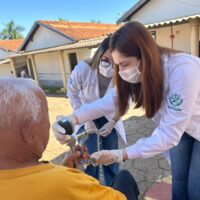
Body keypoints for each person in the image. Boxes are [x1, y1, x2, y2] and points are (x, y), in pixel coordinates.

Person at [53, 22, 200, 200]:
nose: (121, 72)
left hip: (192, 127)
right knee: (179, 181)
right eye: (118, 65)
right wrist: (72, 118)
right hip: (183, 129)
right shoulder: (141, 73)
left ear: (144, 55)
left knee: (195, 188)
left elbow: (168, 135)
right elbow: (108, 102)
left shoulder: (183, 69)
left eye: (124, 64)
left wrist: (122, 154)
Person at [0, 78, 140, 200]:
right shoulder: (66, 183)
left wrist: (61, 168)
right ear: (31, 133)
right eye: (47, 115)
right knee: (124, 177)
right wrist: (72, 177)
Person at [54, 36, 127, 186]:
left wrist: (113, 122)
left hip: (108, 117)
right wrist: (81, 116)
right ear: (99, 54)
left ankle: (111, 188)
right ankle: (90, 187)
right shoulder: (83, 68)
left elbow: (123, 102)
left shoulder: (122, 75)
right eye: (106, 60)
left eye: (115, 63)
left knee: (111, 155)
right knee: (88, 156)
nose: (110, 66)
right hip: (85, 114)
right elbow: (72, 92)